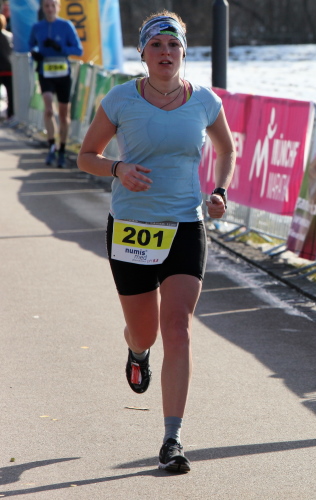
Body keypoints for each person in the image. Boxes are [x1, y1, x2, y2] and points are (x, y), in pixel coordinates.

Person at [77, 10, 236, 473]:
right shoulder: (120, 99)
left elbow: (226, 149)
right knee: (145, 331)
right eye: (156, 45)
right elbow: (86, 155)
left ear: (184, 52)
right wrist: (117, 168)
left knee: (178, 328)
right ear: (143, 54)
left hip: (185, 225)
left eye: (174, 45)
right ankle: (137, 350)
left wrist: (220, 191)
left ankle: (172, 438)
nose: (166, 53)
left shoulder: (204, 100)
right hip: (132, 227)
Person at [28, 0, 82, 167]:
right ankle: (51, 147)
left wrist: (60, 48)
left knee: (64, 114)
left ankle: (62, 149)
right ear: (43, 8)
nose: (50, 9)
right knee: (49, 109)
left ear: (58, 7)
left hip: (63, 74)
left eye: (53, 5)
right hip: (45, 72)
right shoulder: (37, 27)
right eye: (46, 6)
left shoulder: (66, 26)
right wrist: (35, 53)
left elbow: (78, 50)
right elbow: (31, 45)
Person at [0, 13, 12, 122]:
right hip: (9, 68)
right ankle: (10, 115)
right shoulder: (9, 36)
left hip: (5, 69)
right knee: (10, 94)